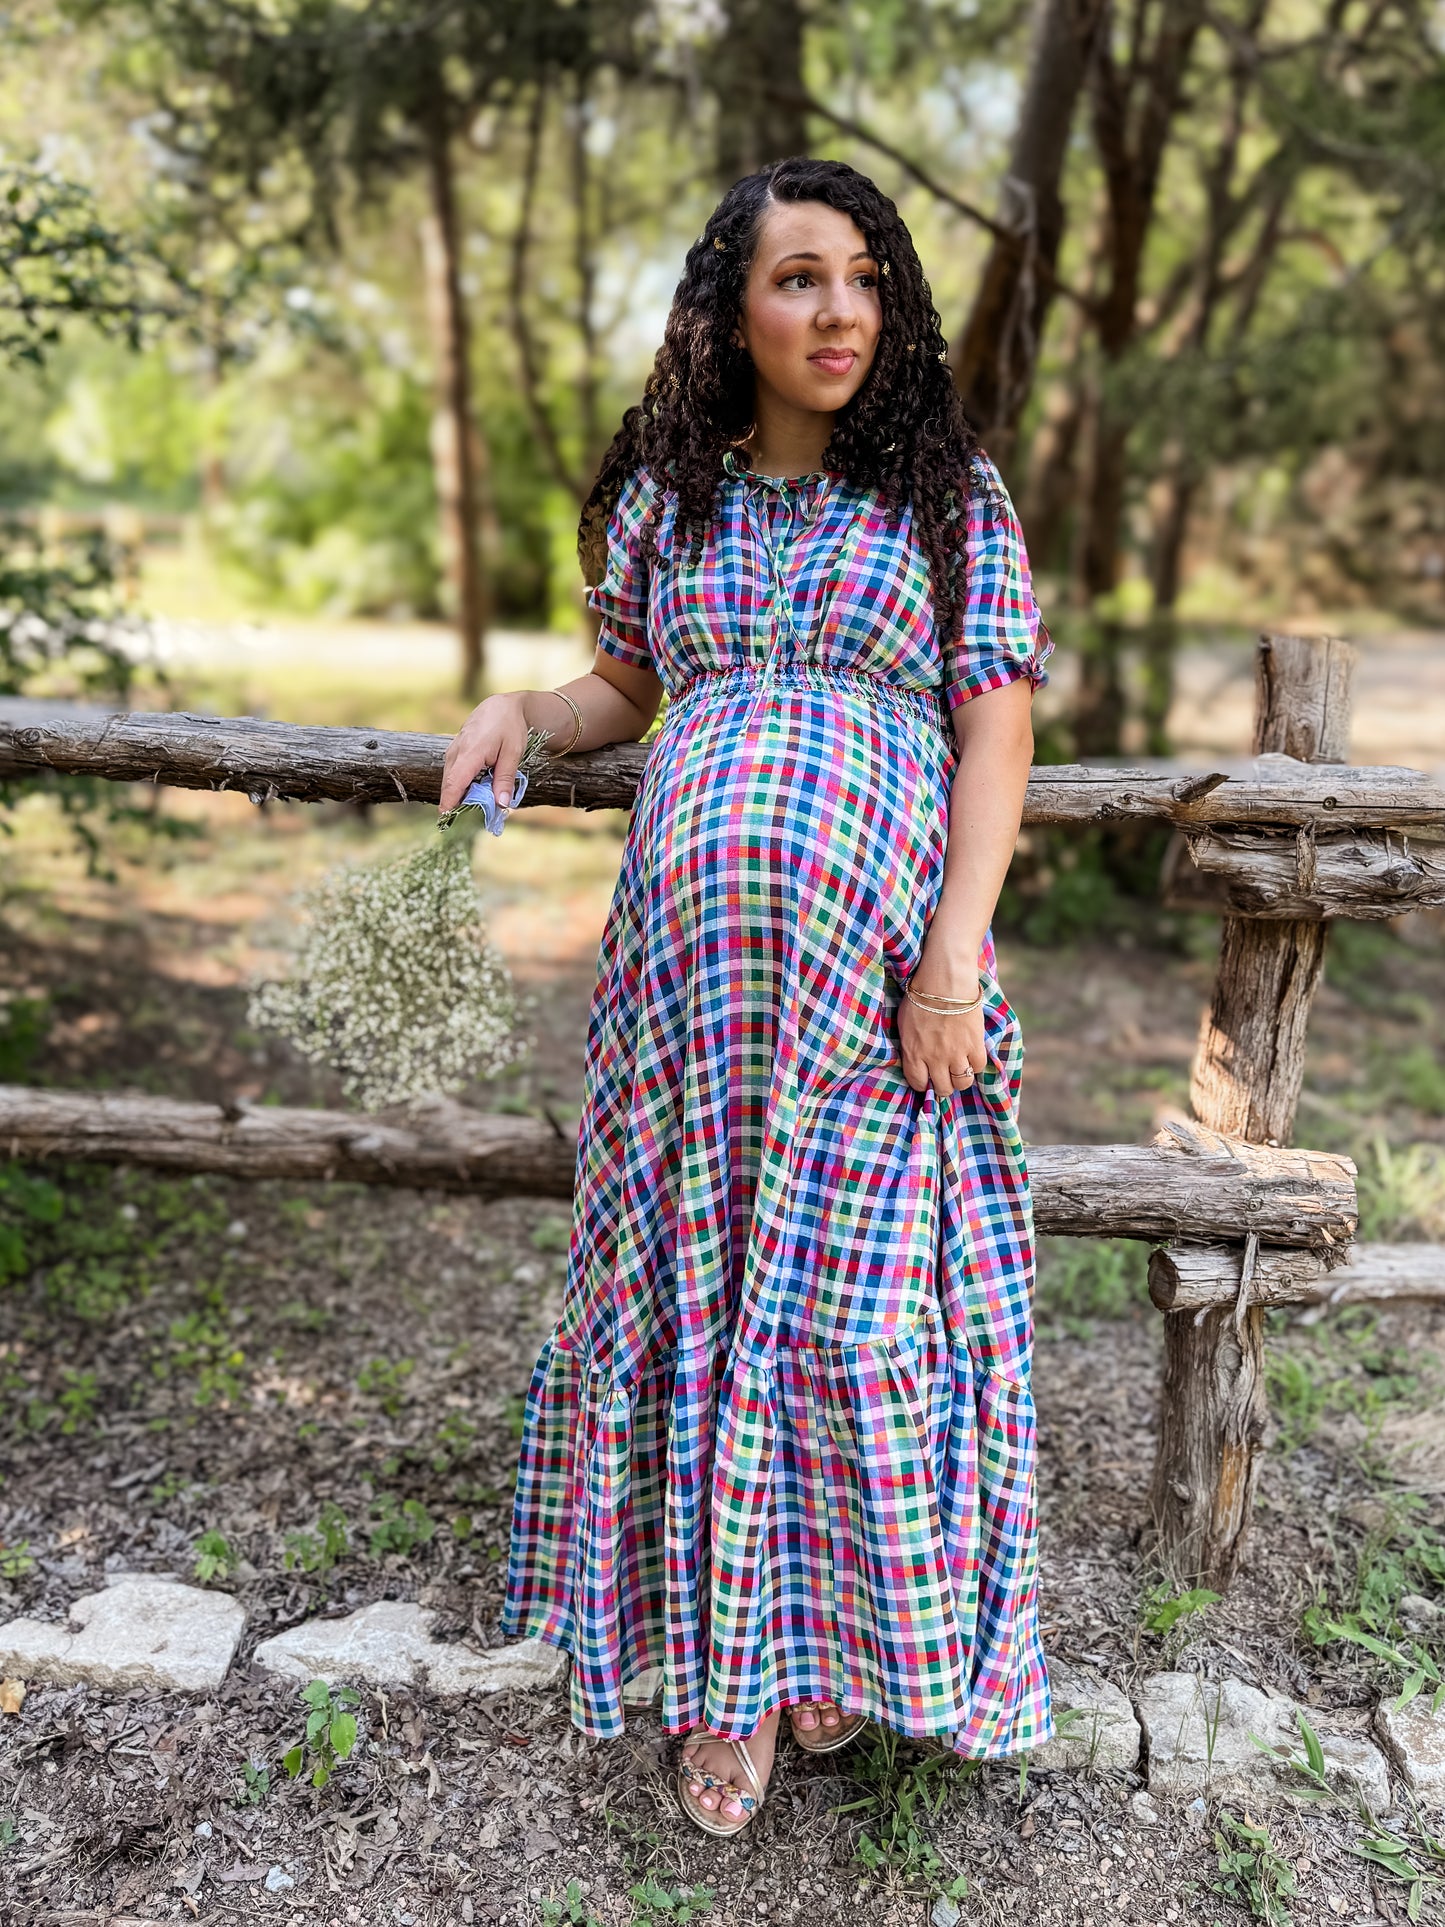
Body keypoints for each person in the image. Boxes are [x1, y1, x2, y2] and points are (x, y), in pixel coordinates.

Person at [440, 156, 1054, 1838]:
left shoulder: (946, 498)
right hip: (686, 1008)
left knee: (850, 1311)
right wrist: (523, 713)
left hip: (872, 991)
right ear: (730, 311)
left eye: (863, 278)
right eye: (798, 278)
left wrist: (950, 958)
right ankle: (734, 1685)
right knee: (705, 1302)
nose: (838, 311)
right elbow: (621, 686)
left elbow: (996, 729)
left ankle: (835, 1638)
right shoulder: (674, 497)